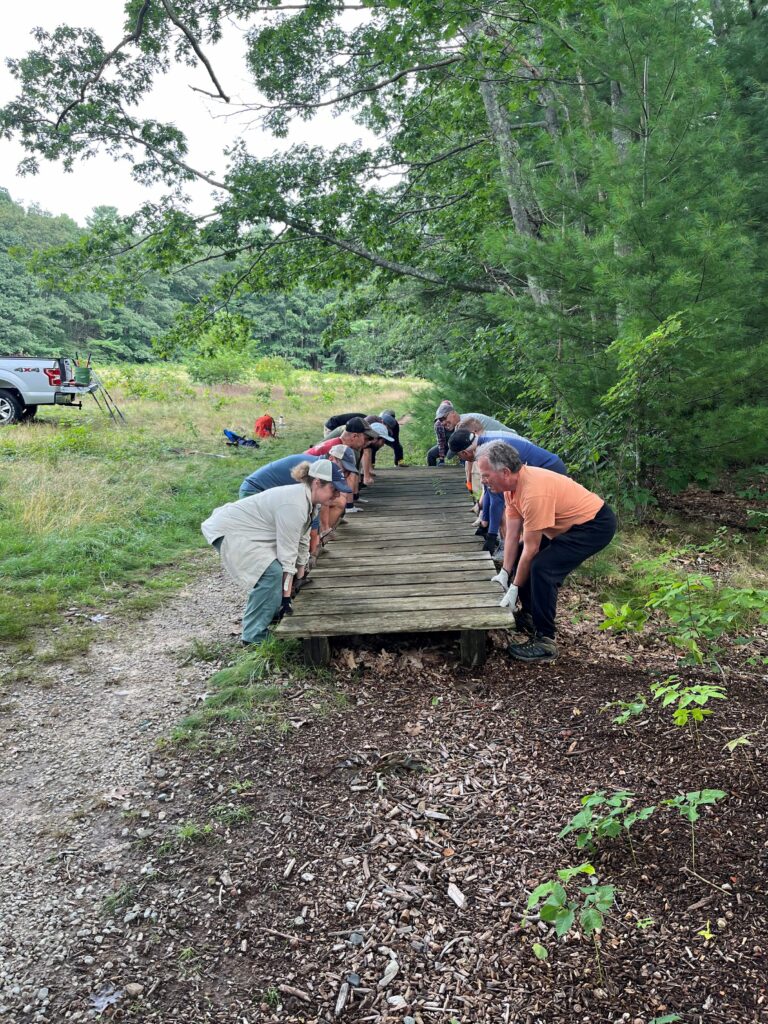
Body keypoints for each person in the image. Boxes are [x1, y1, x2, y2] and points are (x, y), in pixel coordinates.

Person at [476, 440, 616, 662]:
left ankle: (545, 641)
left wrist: (514, 587)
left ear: (504, 472)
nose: (483, 481)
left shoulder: (533, 492)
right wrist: (504, 572)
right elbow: (513, 536)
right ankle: (531, 616)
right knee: (524, 553)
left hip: (594, 525)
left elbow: (532, 550)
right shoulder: (510, 488)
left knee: (543, 568)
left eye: (485, 475)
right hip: (572, 525)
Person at [202, 460, 351, 646]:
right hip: (230, 530)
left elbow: (302, 542)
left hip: (251, 530)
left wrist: (300, 578)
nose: (337, 494)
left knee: (276, 571)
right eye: (333, 489)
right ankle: (253, 636)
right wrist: (287, 599)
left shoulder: (311, 502)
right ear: (317, 483)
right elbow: (287, 555)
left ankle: (270, 612)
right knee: (271, 572)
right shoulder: (294, 505)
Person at [449, 430, 568, 553]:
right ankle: (521, 550)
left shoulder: (489, 454)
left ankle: (524, 552)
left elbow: (497, 501)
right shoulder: (484, 446)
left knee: (534, 518)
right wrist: (485, 522)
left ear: (465, 452)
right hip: (546, 467)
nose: (460, 459)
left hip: (549, 468)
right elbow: (489, 492)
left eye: (458, 456)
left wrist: (491, 536)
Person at [238, 445, 360, 549]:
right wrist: (314, 537)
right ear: (332, 458)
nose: (343, 474)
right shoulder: (315, 471)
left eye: (347, 472)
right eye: (343, 469)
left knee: (338, 501)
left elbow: (316, 506)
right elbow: (312, 508)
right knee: (274, 537)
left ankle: (313, 545)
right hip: (254, 490)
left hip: (273, 493)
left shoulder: (323, 468)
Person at [428, 399, 454, 466]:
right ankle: (432, 473)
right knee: (431, 454)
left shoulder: (456, 420)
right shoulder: (438, 424)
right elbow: (440, 441)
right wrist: (441, 458)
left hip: (458, 445)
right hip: (446, 445)